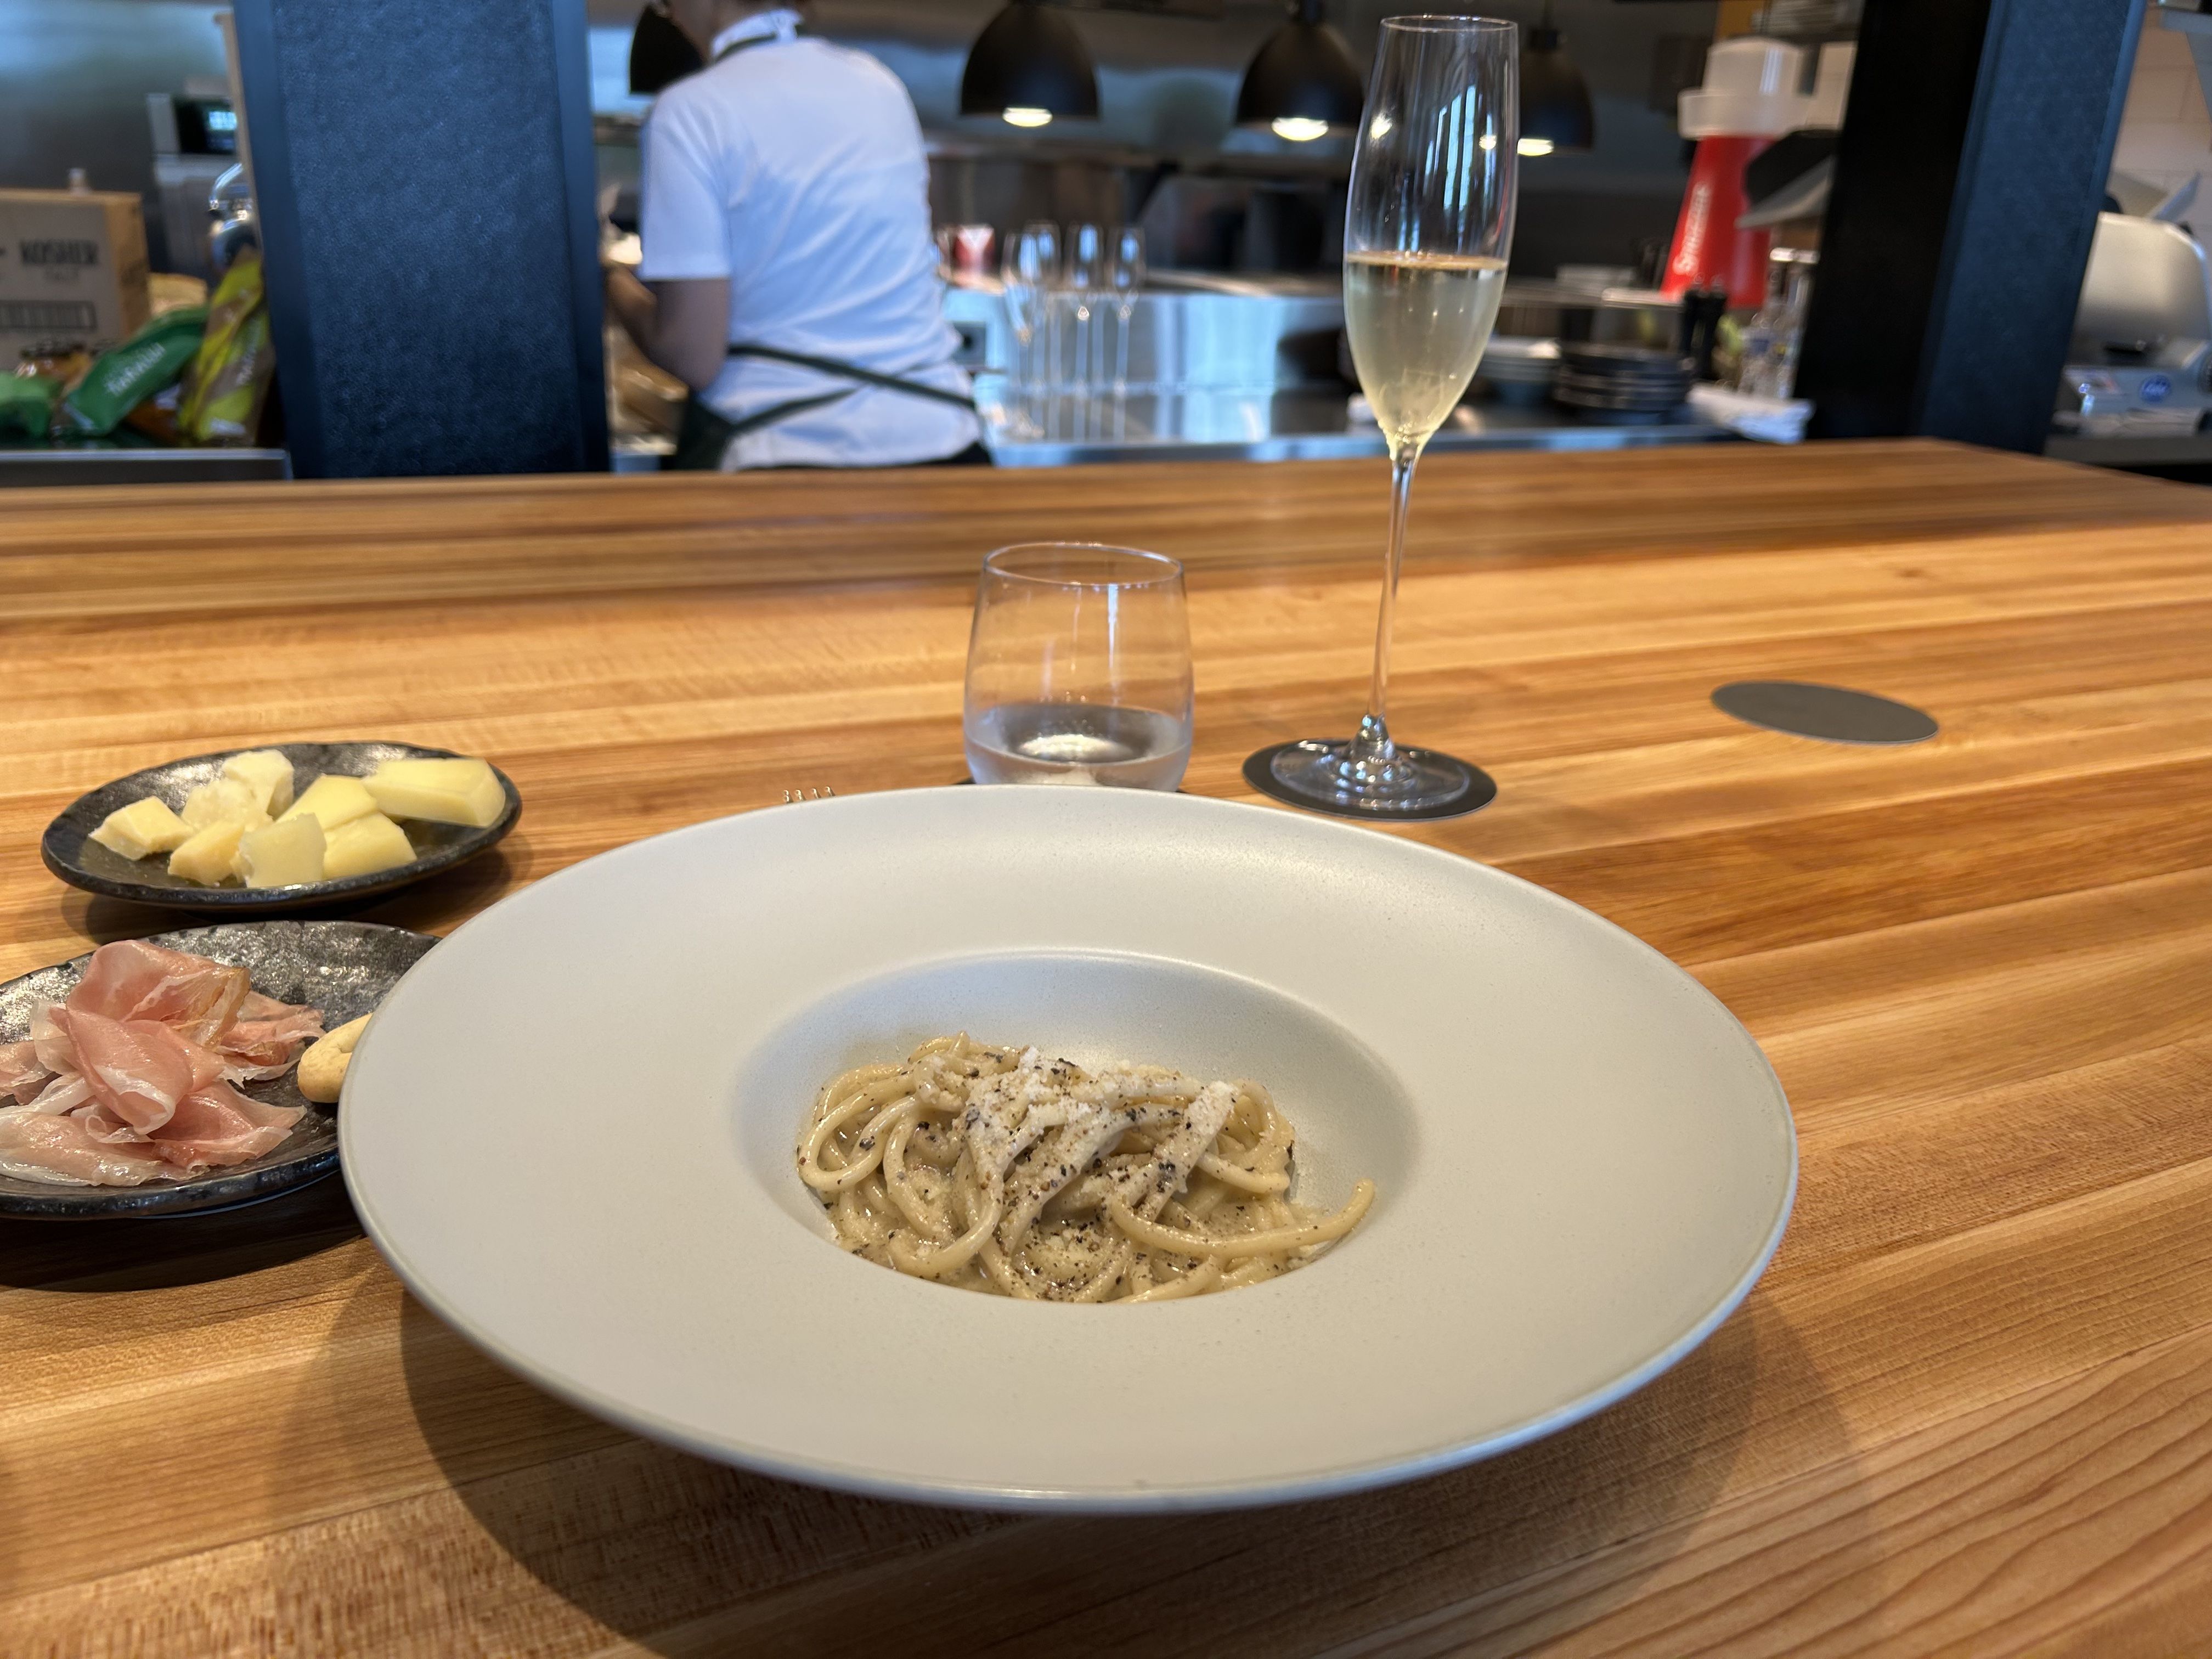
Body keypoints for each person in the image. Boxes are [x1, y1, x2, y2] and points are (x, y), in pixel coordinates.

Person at [606, 1, 988, 471]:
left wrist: (609, 280)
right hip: (947, 447)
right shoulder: (878, 83)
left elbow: (692, 354)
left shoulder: (690, 111)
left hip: (784, 461)